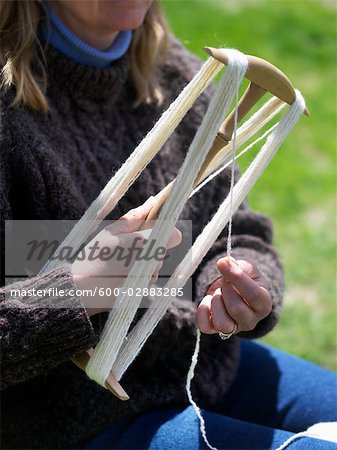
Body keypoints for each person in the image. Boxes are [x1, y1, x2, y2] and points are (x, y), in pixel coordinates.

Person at [0, 1, 336, 449]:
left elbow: (239, 230)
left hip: (191, 364)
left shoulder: (178, 76)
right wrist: (77, 290)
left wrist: (239, 283)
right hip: (57, 416)